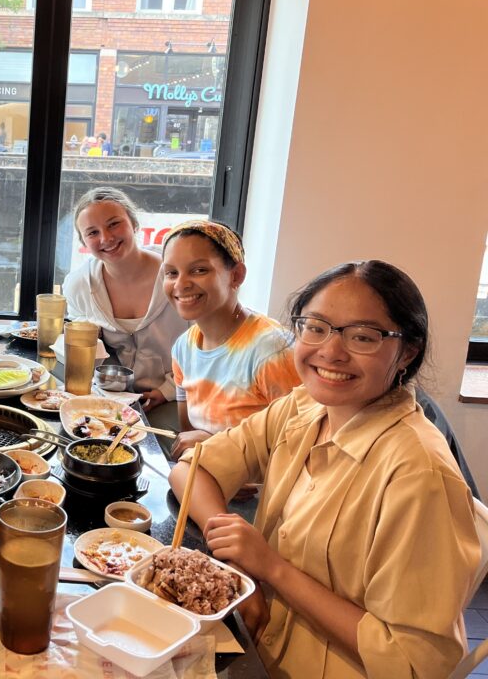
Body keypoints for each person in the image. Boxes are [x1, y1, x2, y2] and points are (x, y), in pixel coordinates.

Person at [169, 260, 479, 679]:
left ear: (407, 350)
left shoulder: (418, 474)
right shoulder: (305, 406)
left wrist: (271, 568)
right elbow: (192, 470)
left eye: (363, 337)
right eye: (315, 327)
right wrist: (236, 557)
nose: (330, 351)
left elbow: (412, 660)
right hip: (258, 644)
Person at [161, 220, 299, 460]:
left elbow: (300, 444)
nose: (181, 284)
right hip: (206, 473)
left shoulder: (272, 351)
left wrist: (217, 447)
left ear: (236, 275)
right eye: (172, 273)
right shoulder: (184, 347)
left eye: (199, 270)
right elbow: (189, 436)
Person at [62, 187, 189, 432]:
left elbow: (206, 345)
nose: (106, 238)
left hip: (178, 396)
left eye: (114, 224)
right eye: (92, 232)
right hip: (112, 400)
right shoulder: (79, 285)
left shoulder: (175, 276)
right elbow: (87, 351)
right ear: (84, 242)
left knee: (164, 454)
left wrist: (168, 390)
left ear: (133, 223)